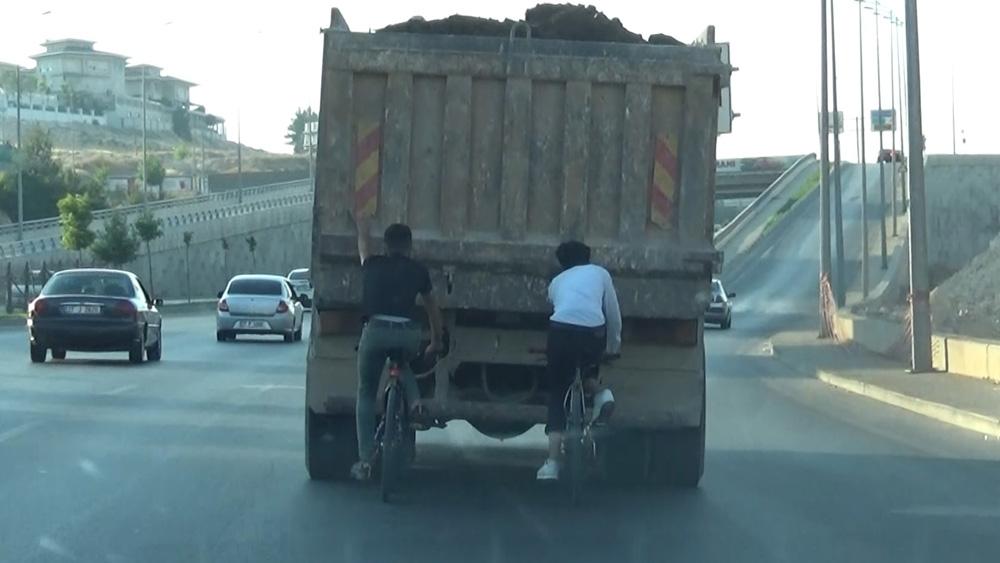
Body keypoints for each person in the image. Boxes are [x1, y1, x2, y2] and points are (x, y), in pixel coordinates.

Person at [351, 216, 443, 481]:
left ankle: (366, 459)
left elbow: (363, 249)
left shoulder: (372, 264)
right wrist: (435, 340)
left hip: (376, 330)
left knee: (366, 391)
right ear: (410, 246)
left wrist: (362, 228)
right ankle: (415, 403)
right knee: (401, 364)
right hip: (407, 334)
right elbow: (431, 308)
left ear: (387, 245)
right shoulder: (418, 270)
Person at [537, 240, 622, 480]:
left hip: (561, 331)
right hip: (592, 332)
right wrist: (613, 346)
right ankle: (601, 396)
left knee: (557, 391)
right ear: (588, 257)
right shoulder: (601, 274)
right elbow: (613, 314)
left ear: (562, 263)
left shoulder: (556, 282)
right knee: (588, 371)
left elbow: (558, 307)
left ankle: (552, 463)